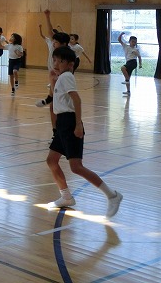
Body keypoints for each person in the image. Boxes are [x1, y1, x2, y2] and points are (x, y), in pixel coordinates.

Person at [45, 46, 123, 218]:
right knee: (51, 160)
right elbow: (56, 99)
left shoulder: (67, 76)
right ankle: (66, 197)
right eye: (54, 60)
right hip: (62, 124)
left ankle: (112, 195)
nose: (56, 63)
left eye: (60, 61)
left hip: (69, 122)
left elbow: (77, 100)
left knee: (76, 167)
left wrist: (78, 124)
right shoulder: (61, 78)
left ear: (70, 64)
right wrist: (52, 81)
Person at [36, 9, 70, 107]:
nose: (53, 43)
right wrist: (47, 17)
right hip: (53, 70)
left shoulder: (67, 53)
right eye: (53, 41)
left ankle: (55, 101)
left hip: (61, 73)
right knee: (53, 85)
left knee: (58, 89)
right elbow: (50, 31)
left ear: (63, 44)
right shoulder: (52, 44)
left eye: (56, 42)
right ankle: (49, 99)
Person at [118, 32, 142, 96]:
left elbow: (139, 57)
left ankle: (127, 80)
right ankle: (128, 91)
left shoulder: (136, 49)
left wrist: (140, 64)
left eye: (135, 42)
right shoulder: (126, 46)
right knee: (127, 77)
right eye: (132, 41)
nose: (134, 43)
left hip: (133, 62)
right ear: (129, 41)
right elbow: (119, 40)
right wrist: (121, 34)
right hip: (128, 63)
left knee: (122, 68)